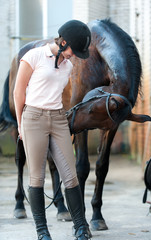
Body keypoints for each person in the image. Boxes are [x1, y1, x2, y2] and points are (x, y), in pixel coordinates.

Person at [14, 20, 91, 240]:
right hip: (33, 118)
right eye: (72, 51)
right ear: (63, 41)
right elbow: (18, 93)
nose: (73, 55)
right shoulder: (34, 56)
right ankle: (42, 232)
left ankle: (81, 227)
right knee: (36, 177)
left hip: (58, 118)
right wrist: (20, 124)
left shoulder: (68, 66)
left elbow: (58, 94)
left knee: (71, 175)